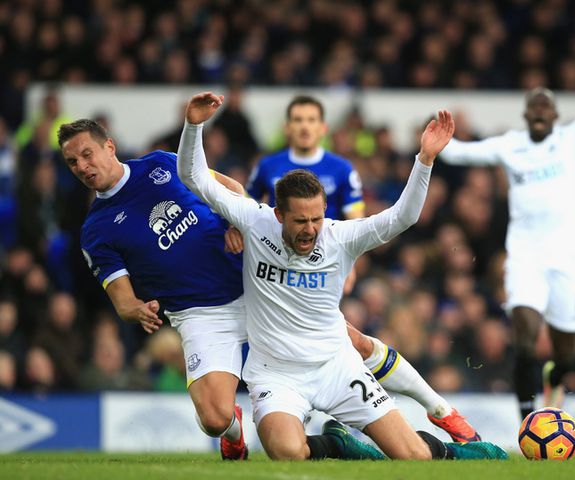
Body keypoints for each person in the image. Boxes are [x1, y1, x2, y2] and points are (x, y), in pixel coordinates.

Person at [177, 91, 507, 461]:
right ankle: (338, 444)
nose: (310, 229)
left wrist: (425, 160)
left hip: (337, 367)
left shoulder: (339, 237)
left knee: (414, 458)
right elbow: (193, 175)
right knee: (286, 452)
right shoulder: (255, 221)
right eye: (300, 220)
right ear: (279, 215)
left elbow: (404, 217)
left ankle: (459, 453)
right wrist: (194, 124)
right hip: (276, 375)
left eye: (316, 219)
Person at [438, 16, 575, 419]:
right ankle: (529, 414)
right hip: (525, 256)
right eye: (534, 107)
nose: (540, 111)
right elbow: (462, 152)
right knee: (524, 333)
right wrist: (436, 144)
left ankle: (553, 379)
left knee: (567, 352)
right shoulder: (511, 146)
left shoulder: (573, 138)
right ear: (526, 115)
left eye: (546, 106)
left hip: (565, 258)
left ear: (555, 114)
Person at [244, 94, 480, 442]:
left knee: (355, 341)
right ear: (287, 127)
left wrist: (345, 260)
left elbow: (361, 219)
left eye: (311, 120)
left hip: (327, 269)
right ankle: (245, 420)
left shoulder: (340, 169)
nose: (305, 127)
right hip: (269, 275)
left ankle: (440, 410)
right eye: (298, 120)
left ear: (322, 128)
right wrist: (234, 232)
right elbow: (244, 205)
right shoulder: (267, 167)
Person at [58, 119, 250, 460]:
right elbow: (122, 300)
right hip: (199, 314)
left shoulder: (161, 163)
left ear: (109, 147)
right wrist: (136, 309)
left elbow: (232, 187)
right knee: (213, 419)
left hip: (249, 282)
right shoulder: (95, 231)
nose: (82, 167)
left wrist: (236, 221)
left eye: (87, 154)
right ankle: (233, 431)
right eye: (73, 162)